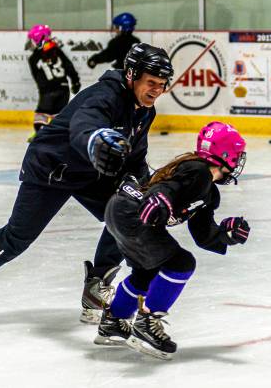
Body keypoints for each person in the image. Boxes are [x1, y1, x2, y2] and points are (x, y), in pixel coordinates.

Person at [0, 43, 175, 325]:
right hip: (52, 168)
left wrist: (147, 189)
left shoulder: (144, 110)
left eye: (161, 85)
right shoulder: (105, 96)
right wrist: (95, 139)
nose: (156, 90)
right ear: (132, 75)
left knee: (131, 211)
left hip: (88, 173)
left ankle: (97, 287)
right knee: (15, 239)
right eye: (151, 83)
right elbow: (84, 125)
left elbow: (135, 157)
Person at [93, 121, 251, 360]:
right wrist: (160, 199)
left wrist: (226, 236)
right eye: (237, 156)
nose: (238, 162)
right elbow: (167, 188)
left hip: (122, 211)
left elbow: (203, 235)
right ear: (225, 154)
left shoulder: (209, 192)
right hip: (131, 212)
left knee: (146, 274)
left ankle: (113, 321)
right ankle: (147, 322)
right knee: (181, 263)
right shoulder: (197, 170)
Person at [25, 24, 81, 140]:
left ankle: (41, 134)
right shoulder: (57, 51)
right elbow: (68, 66)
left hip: (47, 91)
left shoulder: (33, 58)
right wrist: (75, 81)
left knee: (42, 113)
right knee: (59, 115)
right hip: (64, 89)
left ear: (38, 39)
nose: (31, 42)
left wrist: (43, 88)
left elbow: (36, 76)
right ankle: (61, 135)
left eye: (32, 40)